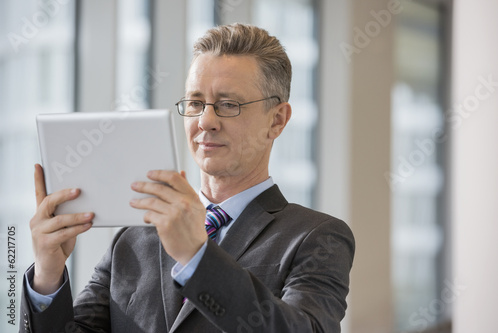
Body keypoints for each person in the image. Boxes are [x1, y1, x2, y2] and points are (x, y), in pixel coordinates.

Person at [21, 23, 355, 333]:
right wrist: (47, 278)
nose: (206, 121)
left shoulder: (317, 237)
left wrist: (197, 256)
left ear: (277, 120)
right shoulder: (132, 239)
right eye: (195, 103)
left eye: (228, 104)